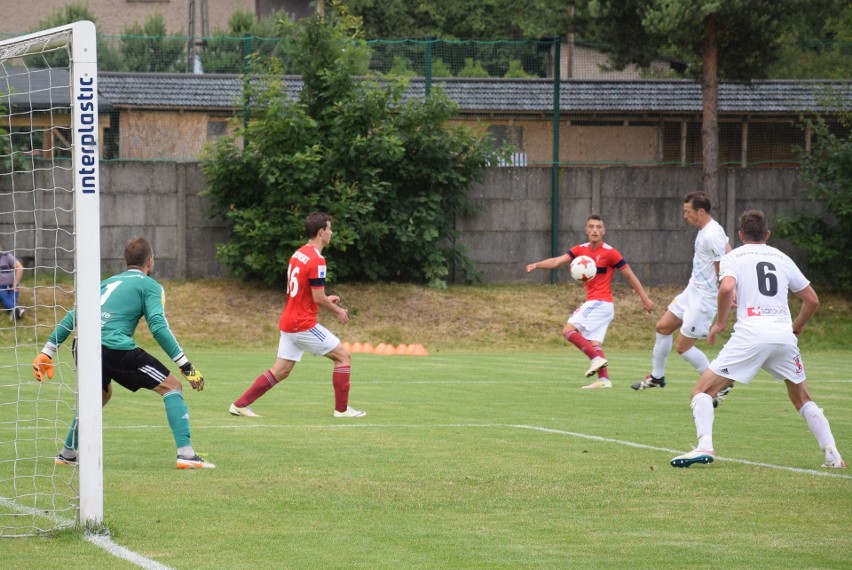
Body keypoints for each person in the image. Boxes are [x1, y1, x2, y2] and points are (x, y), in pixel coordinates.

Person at [671, 210, 845, 469]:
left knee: (702, 391)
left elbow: (727, 287)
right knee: (802, 399)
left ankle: (705, 445)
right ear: (768, 234)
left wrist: (720, 322)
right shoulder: (782, 258)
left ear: (740, 235)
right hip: (783, 336)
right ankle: (833, 455)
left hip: (751, 334)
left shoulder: (734, 256)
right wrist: (795, 327)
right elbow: (812, 300)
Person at [32, 236, 214, 469]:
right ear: (150, 261)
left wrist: (47, 352)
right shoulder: (150, 286)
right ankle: (186, 455)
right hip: (113, 346)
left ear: (126, 261)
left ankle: (67, 453)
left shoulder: (105, 283)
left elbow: (72, 316)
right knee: (172, 387)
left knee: (99, 396)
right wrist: (185, 365)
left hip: (83, 344)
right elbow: (158, 327)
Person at [229, 212, 365, 418]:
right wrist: (337, 310)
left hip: (289, 321)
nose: (332, 233)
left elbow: (306, 291)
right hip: (303, 324)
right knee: (343, 356)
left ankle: (240, 404)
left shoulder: (299, 254)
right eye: (329, 229)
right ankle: (342, 410)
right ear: (321, 232)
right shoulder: (317, 260)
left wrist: (327, 298)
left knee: (281, 370)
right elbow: (317, 297)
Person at [526, 215, 654, 389]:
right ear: (586, 230)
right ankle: (604, 380)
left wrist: (644, 299)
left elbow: (629, 275)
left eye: (599, 227)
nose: (595, 230)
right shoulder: (580, 250)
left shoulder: (610, 253)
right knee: (594, 343)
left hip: (601, 302)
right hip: (598, 304)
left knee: (568, 330)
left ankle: (596, 359)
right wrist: (537, 265)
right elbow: (557, 261)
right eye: (591, 227)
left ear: (604, 231)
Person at [632, 191, 734, 406]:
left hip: (704, 298)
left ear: (701, 211)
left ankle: (719, 384)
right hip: (691, 292)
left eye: (687, 212)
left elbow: (723, 265)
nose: (685, 216)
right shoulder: (710, 229)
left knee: (683, 346)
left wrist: (730, 292)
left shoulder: (710, 234)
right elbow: (728, 249)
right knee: (662, 327)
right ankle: (657, 377)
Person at [0, 243, 25, 320]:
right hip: (0, 287)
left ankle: (13, 312)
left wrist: (15, 283)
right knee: (3, 295)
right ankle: (17, 310)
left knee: (12, 297)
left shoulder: (6, 256)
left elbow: (20, 268)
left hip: (12, 284)